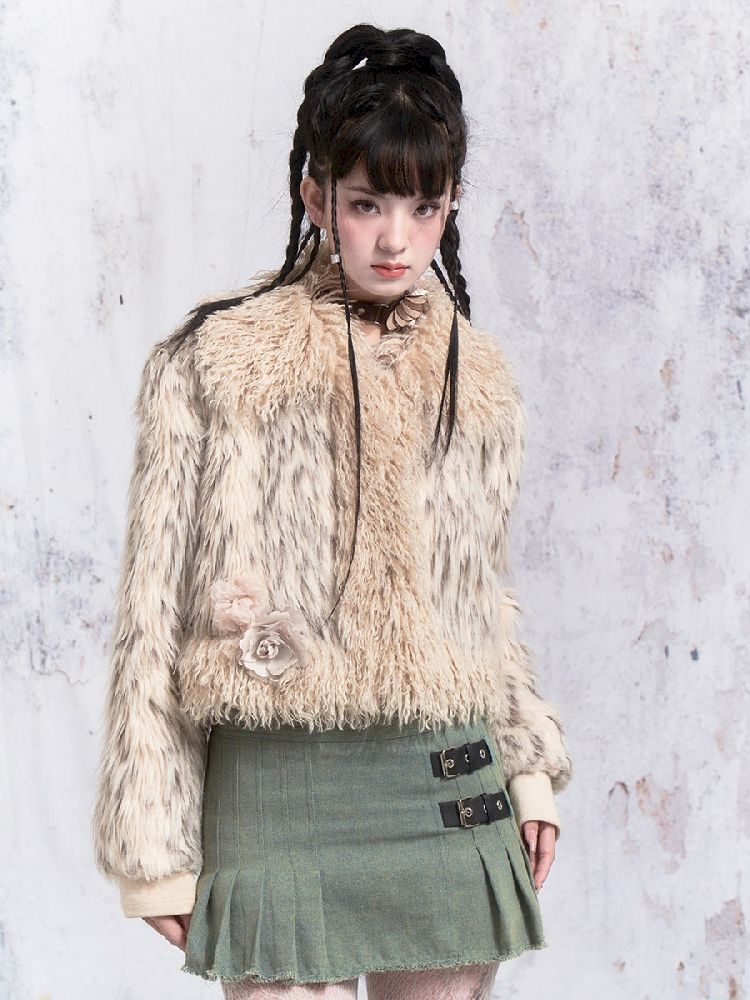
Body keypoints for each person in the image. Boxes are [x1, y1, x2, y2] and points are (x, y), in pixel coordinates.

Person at [91, 22, 573, 1000]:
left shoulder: (476, 379)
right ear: (316, 198)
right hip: (276, 792)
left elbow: (478, 597)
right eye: (365, 204)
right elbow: (150, 614)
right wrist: (153, 843)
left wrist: (526, 768)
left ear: (451, 204)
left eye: (422, 206)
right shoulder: (212, 365)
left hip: (443, 781)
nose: (395, 239)